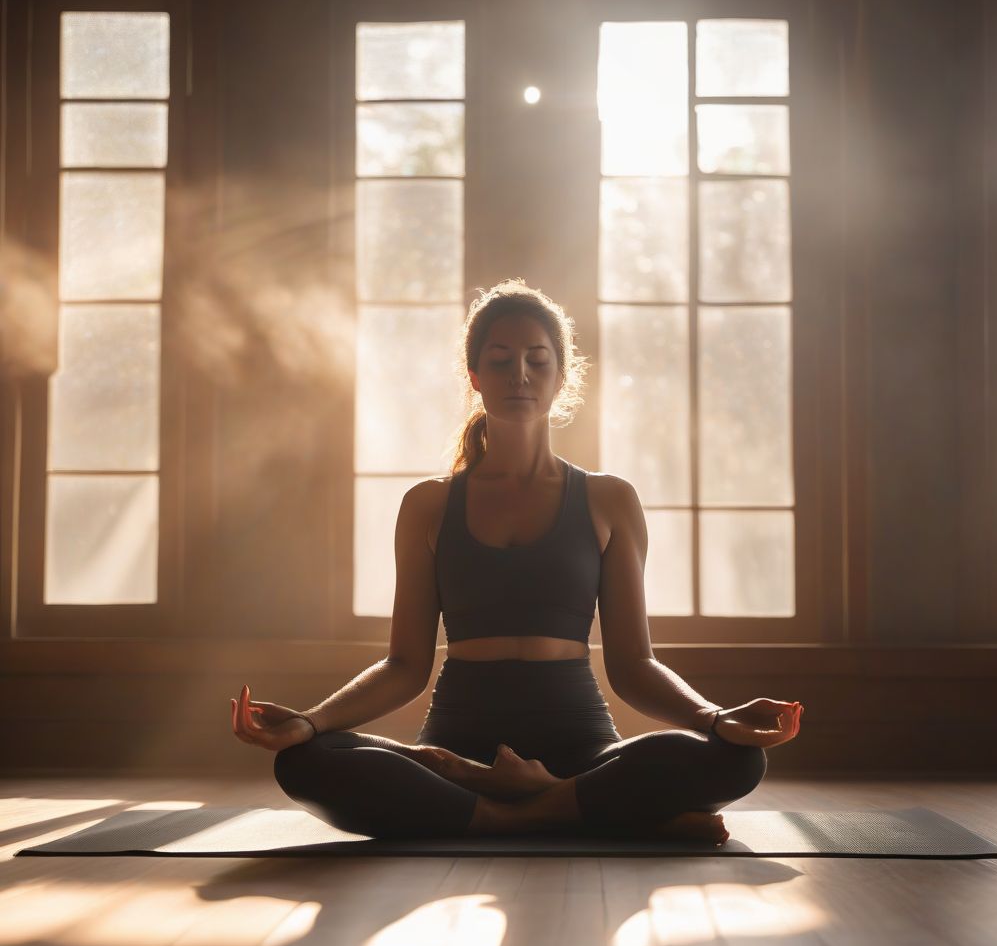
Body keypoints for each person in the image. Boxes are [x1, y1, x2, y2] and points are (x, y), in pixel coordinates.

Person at [231, 278, 803, 843]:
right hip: (455, 745)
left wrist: (714, 719)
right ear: (475, 377)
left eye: (537, 359)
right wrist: (310, 723)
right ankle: (565, 812)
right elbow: (404, 666)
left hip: (580, 750)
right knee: (305, 760)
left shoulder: (609, 500)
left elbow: (633, 666)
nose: (519, 375)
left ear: (561, 376)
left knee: (738, 761)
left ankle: (501, 805)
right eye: (500, 361)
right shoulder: (428, 505)